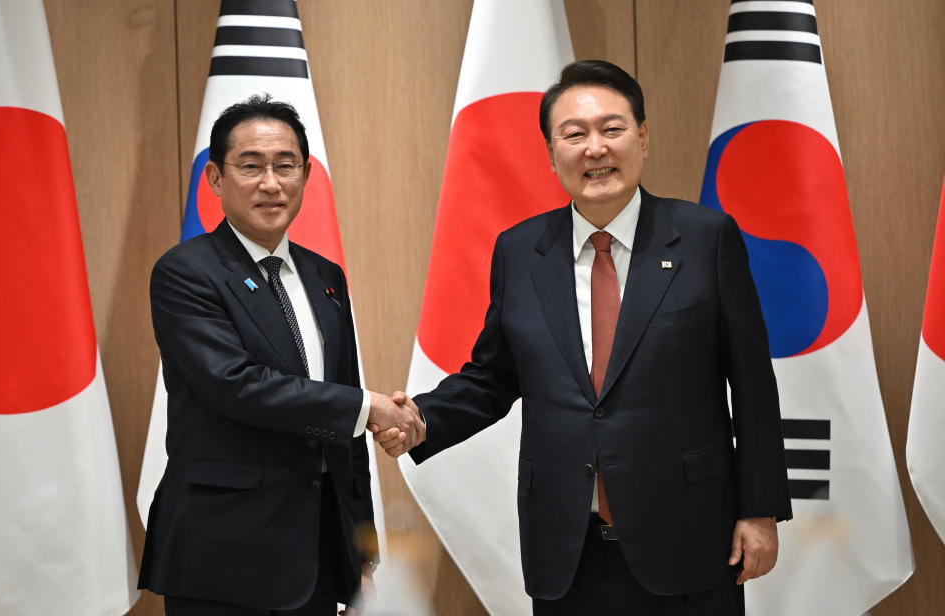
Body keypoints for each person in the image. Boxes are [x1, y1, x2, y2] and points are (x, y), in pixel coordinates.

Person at [375, 60, 792, 614]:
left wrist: (760, 509)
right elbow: (495, 376)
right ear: (551, 155)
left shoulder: (705, 238)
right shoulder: (520, 251)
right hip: (567, 547)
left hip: (688, 534)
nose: (594, 148)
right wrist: (423, 419)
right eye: (573, 135)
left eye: (612, 129)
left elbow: (753, 382)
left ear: (642, 137)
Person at [138, 94, 423, 616]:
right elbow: (236, 385)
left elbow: (344, 424)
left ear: (306, 175)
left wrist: (361, 549)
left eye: (285, 166)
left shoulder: (325, 277)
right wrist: (370, 407)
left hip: (315, 554)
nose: (271, 183)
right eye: (250, 166)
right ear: (216, 179)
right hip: (221, 554)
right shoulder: (185, 273)